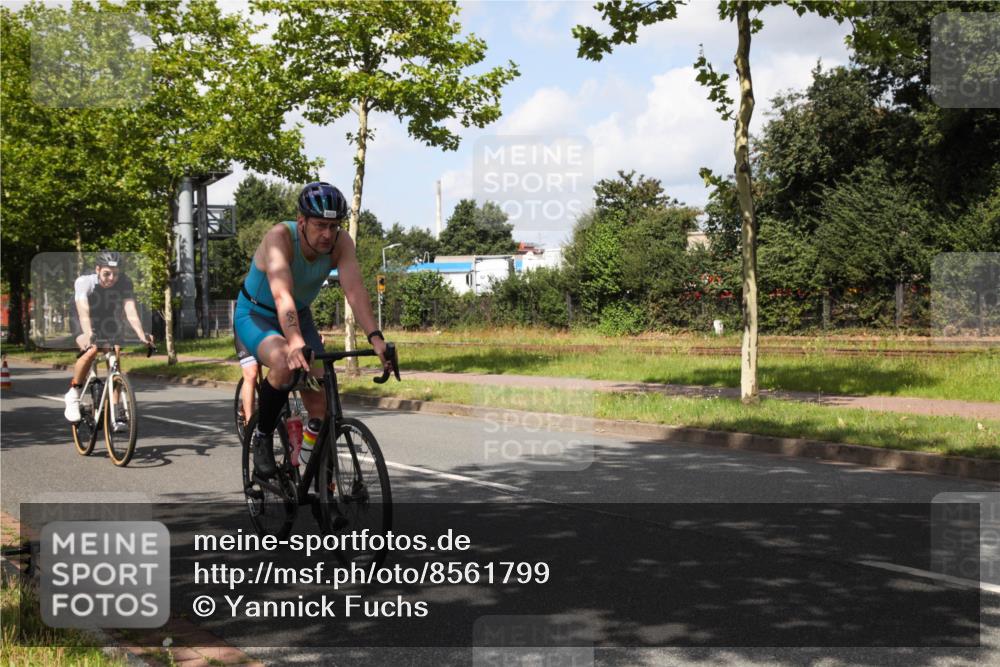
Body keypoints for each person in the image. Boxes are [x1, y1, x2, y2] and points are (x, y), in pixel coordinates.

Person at [234, 182, 391, 478]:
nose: (327, 235)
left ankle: (310, 465)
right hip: (255, 314)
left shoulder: (341, 243)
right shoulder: (279, 238)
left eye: (333, 226)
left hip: (298, 314)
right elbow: (282, 294)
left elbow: (355, 291)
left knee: (322, 400)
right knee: (284, 361)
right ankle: (263, 436)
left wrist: (375, 337)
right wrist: (294, 342)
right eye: (320, 225)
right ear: (302, 221)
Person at [64, 251, 154, 421]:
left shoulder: (125, 282)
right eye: (107, 273)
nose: (111, 278)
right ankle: (73, 393)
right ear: (98, 269)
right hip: (82, 315)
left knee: (115, 353)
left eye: (115, 274)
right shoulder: (84, 281)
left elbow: (130, 310)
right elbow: (83, 311)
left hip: (107, 316)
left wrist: (142, 335)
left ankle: (115, 407)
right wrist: (89, 333)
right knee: (91, 350)